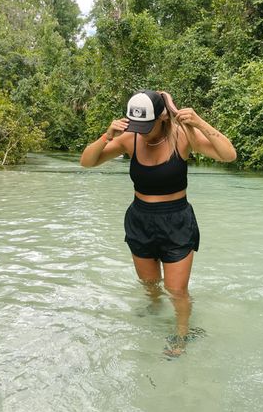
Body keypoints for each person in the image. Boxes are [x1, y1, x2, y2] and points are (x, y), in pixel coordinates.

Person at [80, 90, 236, 356]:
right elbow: (87, 162)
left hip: (176, 221)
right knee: (150, 286)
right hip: (140, 220)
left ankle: (182, 334)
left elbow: (228, 154)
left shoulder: (182, 137)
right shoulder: (130, 138)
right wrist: (107, 135)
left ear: (163, 117)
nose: (142, 132)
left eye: (146, 125)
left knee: (176, 290)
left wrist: (199, 122)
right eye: (136, 125)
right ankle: (154, 311)